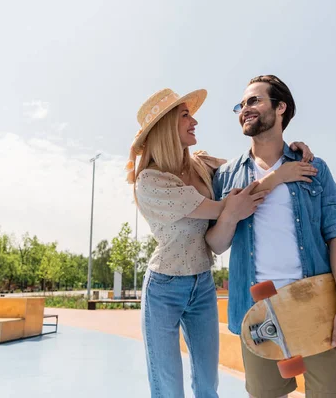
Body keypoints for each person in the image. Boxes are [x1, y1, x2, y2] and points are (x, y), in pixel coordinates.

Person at [125, 87, 317, 398]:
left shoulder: (200, 164)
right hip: (164, 288)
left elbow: (251, 165)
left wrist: (287, 150)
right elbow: (228, 207)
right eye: (185, 115)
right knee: (167, 386)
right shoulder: (151, 181)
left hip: (202, 284)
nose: (194, 121)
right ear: (164, 127)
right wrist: (280, 175)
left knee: (207, 385)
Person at [205, 75, 336, 398]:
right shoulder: (226, 176)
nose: (244, 109)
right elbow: (216, 244)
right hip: (257, 315)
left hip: (318, 306)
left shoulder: (313, 167)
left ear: (280, 108)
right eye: (242, 104)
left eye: (254, 101)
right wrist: (233, 212)